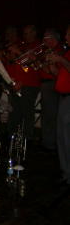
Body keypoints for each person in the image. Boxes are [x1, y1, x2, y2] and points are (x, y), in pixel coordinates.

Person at [48, 25, 70, 186]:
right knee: (61, 138)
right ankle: (65, 172)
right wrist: (51, 65)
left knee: (67, 138)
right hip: (63, 98)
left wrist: (61, 60)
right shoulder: (67, 52)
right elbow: (58, 75)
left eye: (69, 33)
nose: (66, 36)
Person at [38, 29, 65, 151]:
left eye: (45, 38)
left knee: (51, 115)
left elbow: (54, 72)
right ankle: (47, 141)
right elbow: (45, 70)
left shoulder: (59, 51)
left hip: (52, 84)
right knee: (47, 114)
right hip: (45, 84)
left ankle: (50, 144)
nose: (43, 41)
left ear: (52, 39)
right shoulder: (48, 51)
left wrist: (47, 63)